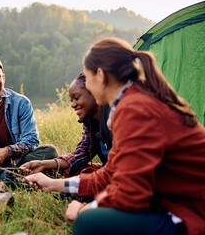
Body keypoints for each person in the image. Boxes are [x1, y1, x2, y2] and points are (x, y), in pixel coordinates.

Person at [25, 38, 205, 235]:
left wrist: (85, 209)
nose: (88, 86)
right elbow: (110, 174)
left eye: (88, 77)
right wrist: (53, 184)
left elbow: (131, 192)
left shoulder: (134, 108)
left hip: (193, 210)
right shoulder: (133, 101)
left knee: (87, 223)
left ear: (100, 75)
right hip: (176, 200)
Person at [20, 73, 112, 179]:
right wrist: (43, 164)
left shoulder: (116, 117)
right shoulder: (89, 122)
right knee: (72, 172)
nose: (73, 105)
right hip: (109, 170)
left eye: (77, 98)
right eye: (71, 100)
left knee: (87, 180)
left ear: (95, 92)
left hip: (121, 173)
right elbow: (81, 154)